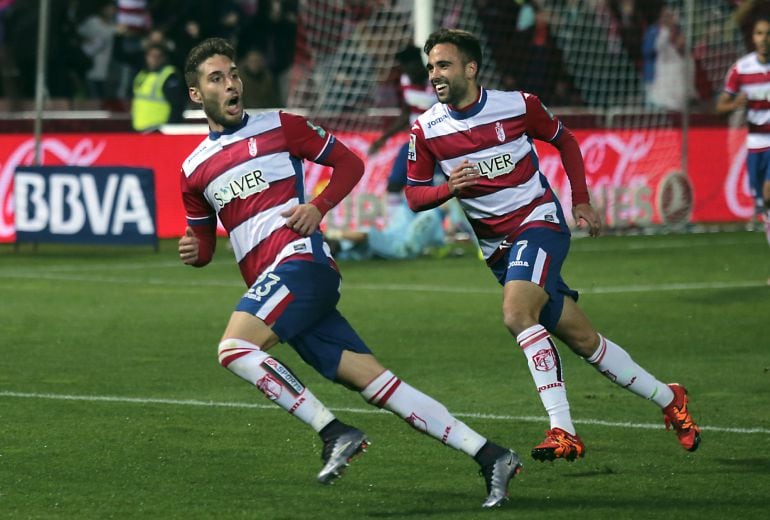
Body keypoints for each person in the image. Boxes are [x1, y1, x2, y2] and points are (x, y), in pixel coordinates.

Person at [177, 37, 521, 509]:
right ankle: (491, 455)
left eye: (233, 73)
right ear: (197, 95)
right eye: (217, 78)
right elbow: (200, 248)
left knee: (235, 349)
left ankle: (334, 431)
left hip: (301, 266)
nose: (232, 83)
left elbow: (348, 163)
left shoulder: (281, 125)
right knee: (378, 384)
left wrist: (318, 207)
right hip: (276, 288)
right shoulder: (194, 168)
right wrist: (192, 250)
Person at [404, 28, 701, 463]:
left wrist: (580, 199)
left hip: (538, 223)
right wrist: (447, 189)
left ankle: (563, 429)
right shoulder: (426, 130)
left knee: (515, 313)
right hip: (497, 251)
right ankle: (669, 397)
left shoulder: (519, 106)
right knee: (584, 341)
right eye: (431, 67)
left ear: (471, 67)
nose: (435, 75)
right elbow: (414, 196)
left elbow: (565, 140)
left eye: (444, 65)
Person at [716, 15, 770, 246]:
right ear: (753, 37)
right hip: (755, 144)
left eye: (768, 34)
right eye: (760, 33)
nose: (764, 39)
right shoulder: (741, 69)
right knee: (765, 209)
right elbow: (720, 106)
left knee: (769, 193)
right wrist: (736, 104)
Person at [369, 45, 438, 217]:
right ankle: (395, 225)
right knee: (394, 184)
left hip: (438, 146)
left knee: (437, 188)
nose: (406, 70)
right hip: (415, 143)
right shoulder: (405, 80)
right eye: (403, 67)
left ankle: (448, 228)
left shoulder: (437, 84)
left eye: (408, 66)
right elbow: (406, 112)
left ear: (418, 63)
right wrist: (383, 138)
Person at [131, 43, 185, 132]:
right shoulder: (142, 74)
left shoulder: (169, 75)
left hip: (159, 129)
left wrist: (170, 129)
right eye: (151, 56)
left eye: (158, 56)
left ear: (164, 58)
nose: (154, 59)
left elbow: (177, 106)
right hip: (139, 128)